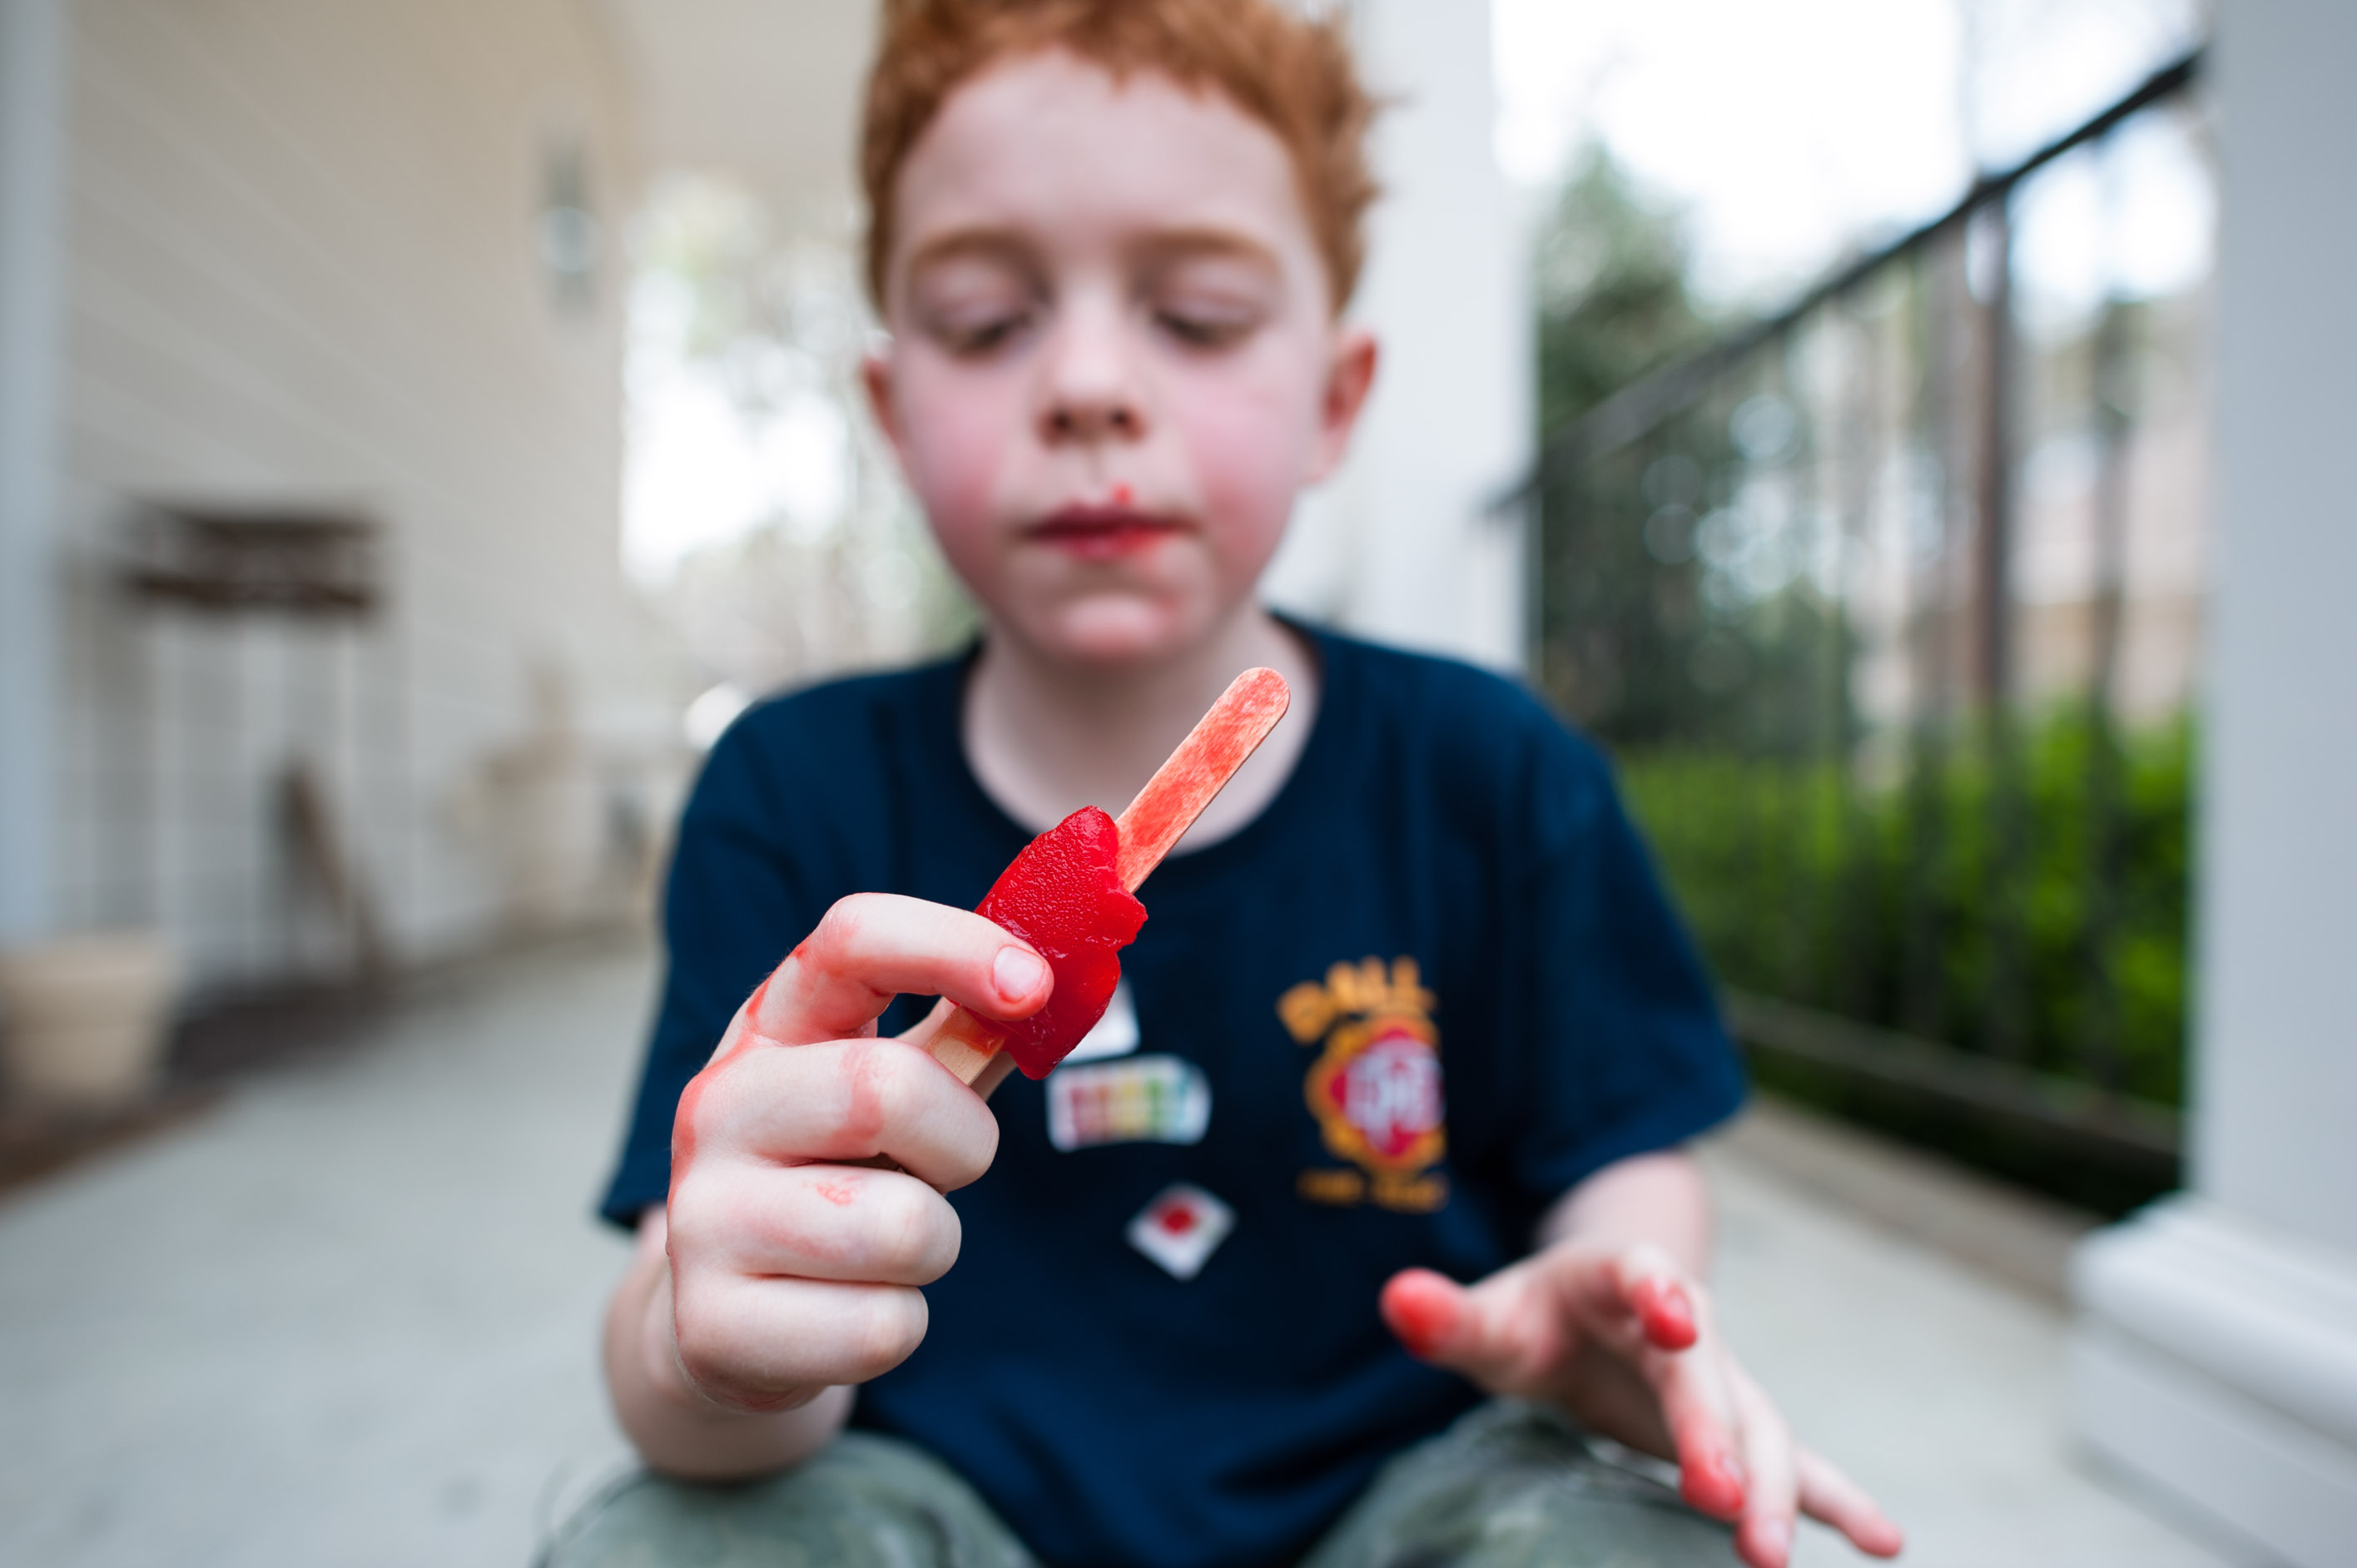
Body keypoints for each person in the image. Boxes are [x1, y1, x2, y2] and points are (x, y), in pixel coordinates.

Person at [554, 2, 1905, 1566]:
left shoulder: (1492, 771)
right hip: (925, 1508)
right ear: (891, 410)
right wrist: (704, 1337)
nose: (1089, 388)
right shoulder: (791, 793)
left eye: (1193, 315)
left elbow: (1621, 1163)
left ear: (1337, 397)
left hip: (1415, 1500)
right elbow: (689, 1385)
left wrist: (1609, 1299)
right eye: (990, 321)